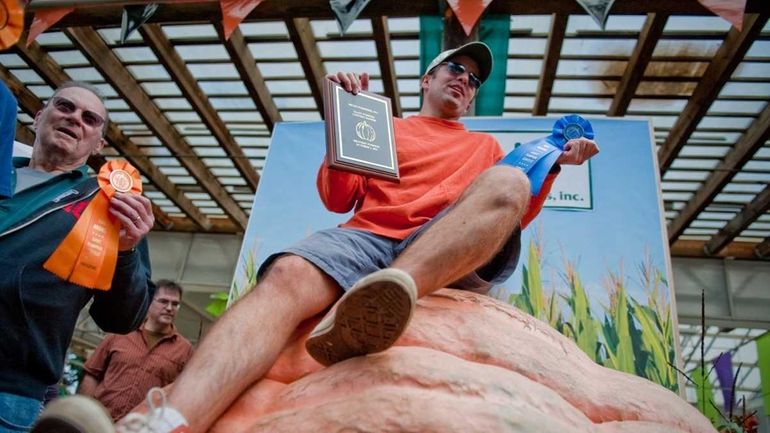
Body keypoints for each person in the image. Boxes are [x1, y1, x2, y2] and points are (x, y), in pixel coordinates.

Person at [34, 42, 599, 433]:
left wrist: (554, 166)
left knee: (505, 180)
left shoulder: (483, 148)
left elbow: (503, 216)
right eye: (454, 69)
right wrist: (340, 118)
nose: (464, 80)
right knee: (285, 276)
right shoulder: (382, 126)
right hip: (366, 236)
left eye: (474, 80)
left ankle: (392, 289)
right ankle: (164, 421)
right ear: (427, 79)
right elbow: (337, 197)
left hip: (437, 249)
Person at [0, 81, 155, 432]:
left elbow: (122, 318)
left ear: (99, 144)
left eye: (89, 118)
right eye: (65, 107)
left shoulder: (108, 203)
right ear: (39, 118)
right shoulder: (2, 169)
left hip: (11, 393)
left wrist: (127, 250)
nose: (75, 119)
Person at [78, 280, 193, 421]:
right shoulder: (120, 331)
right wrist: (85, 414)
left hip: (143, 427)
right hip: (101, 421)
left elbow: (181, 395)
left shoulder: (184, 349)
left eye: (175, 304)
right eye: (163, 301)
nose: (169, 308)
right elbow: (92, 374)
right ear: (150, 301)